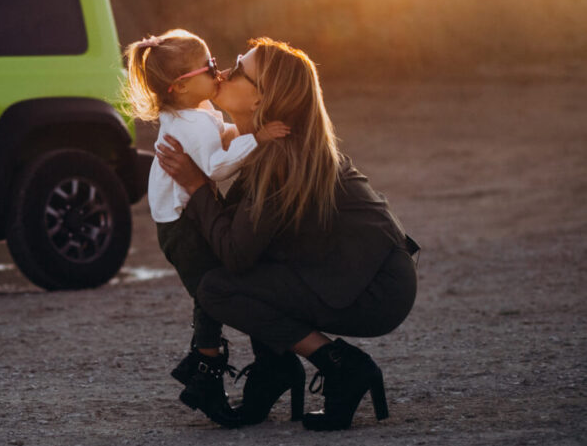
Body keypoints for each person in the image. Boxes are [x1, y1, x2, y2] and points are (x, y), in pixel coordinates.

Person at [157, 37, 419, 431]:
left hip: (375, 289)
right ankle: (275, 369)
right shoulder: (264, 149)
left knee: (221, 287)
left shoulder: (281, 159)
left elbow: (234, 253)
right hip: (348, 275)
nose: (223, 73)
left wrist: (196, 187)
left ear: (261, 99)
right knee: (239, 275)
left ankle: (341, 366)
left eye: (239, 70)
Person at [122, 29, 289, 426]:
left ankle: (213, 366)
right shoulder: (191, 124)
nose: (220, 72)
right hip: (183, 226)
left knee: (214, 290)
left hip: (185, 218)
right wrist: (260, 139)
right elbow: (215, 166)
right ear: (181, 86)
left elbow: (224, 135)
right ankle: (207, 374)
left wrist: (244, 133)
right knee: (211, 293)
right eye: (210, 67)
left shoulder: (192, 115)